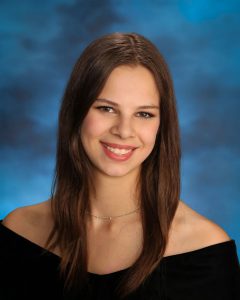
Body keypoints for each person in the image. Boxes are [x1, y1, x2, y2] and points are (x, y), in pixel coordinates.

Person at [0, 32, 239, 300]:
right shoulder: (16, 233)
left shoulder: (206, 250)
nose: (124, 131)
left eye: (144, 114)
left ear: (162, 126)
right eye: (106, 109)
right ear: (76, 112)